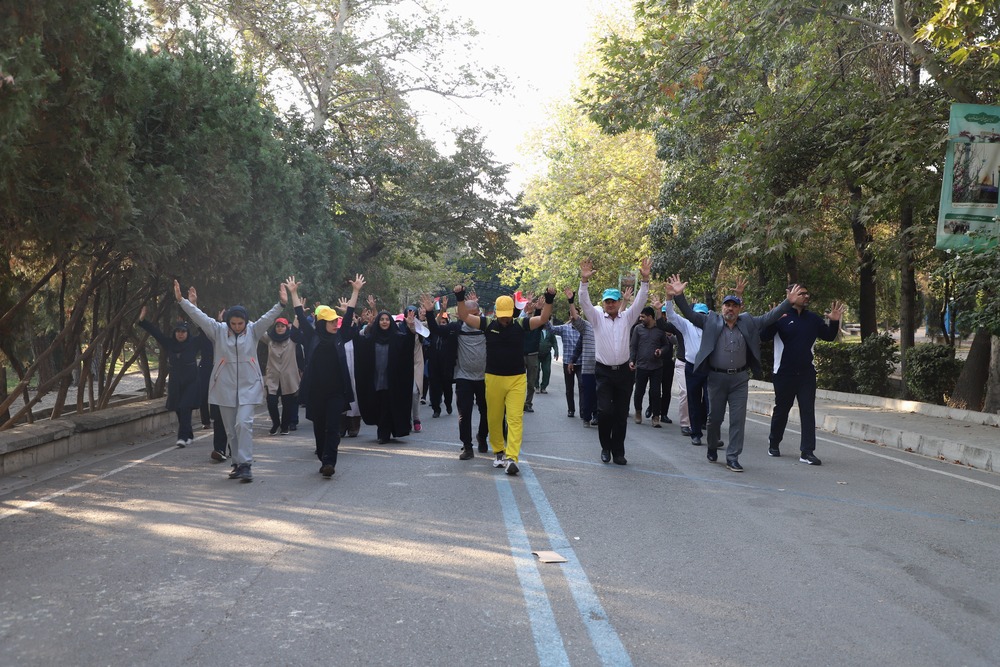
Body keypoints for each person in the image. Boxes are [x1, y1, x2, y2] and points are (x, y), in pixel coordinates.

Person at [667, 274, 802, 472]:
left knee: (738, 420)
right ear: (722, 308)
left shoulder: (748, 322)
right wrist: (679, 296)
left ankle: (733, 457)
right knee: (714, 418)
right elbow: (689, 314)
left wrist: (788, 303)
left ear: (739, 308)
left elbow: (769, 317)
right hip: (716, 378)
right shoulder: (710, 321)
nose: (730, 309)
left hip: (739, 379)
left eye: (734, 306)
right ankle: (712, 445)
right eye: (727, 305)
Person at [176, 278, 288, 482]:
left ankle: (246, 464)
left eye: (240, 324)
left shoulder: (254, 330)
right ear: (228, 322)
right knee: (231, 429)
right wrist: (183, 302)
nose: (237, 327)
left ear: (246, 322)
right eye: (233, 324)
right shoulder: (218, 330)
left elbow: (268, 317)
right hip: (224, 387)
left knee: (243, 423)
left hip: (249, 386)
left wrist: (281, 304)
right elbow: (200, 318)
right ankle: (237, 463)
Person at [455, 284, 555, 475]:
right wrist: (460, 297)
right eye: (502, 315)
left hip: (517, 379)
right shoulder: (487, 324)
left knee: (515, 419)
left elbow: (543, 318)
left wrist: (549, 300)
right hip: (493, 378)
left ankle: (512, 458)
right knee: (494, 418)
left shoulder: (521, 324)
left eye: (507, 315)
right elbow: (465, 316)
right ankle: (499, 452)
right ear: (496, 313)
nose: (505, 319)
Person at [578, 258, 652, 465]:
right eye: (607, 301)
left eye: (613, 301)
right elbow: (584, 302)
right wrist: (584, 281)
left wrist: (645, 279)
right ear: (603, 303)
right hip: (603, 372)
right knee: (604, 411)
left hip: (623, 373)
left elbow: (640, 301)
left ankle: (618, 451)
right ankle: (605, 447)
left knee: (620, 413)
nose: (610, 304)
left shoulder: (627, 318)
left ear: (619, 303)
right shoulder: (596, 318)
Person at [290, 275, 363, 478]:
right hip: (315, 393)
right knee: (319, 428)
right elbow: (300, 314)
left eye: (335, 320)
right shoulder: (311, 336)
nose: (335, 323)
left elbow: (349, 315)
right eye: (331, 321)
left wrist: (355, 291)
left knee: (332, 427)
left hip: (336, 393)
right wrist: (293, 293)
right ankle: (324, 457)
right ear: (322, 322)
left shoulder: (340, 335)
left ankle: (329, 462)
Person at [762, 287, 844, 465]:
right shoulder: (781, 316)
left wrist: (834, 322)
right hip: (783, 373)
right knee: (782, 410)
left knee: (807, 411)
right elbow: (763, 337)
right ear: (790, 295)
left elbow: (828, 336)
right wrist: (771, 320)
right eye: (801, 294)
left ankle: (807, 452)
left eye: (807, 293)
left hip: (806, 374)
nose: (806, 296)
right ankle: (774, 442)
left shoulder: (813, 319)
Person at [423, 293, 488, 460]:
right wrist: (430, 312)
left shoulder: (487, 327)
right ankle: (467, 446)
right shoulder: (455, 328)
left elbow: (509, 325)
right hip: (463, 377)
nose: (471, 318)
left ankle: (482, 436)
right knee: (464, 414)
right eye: (468, 314)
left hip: (485, 378)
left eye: (474, 314)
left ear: (479, 314)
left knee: (486, 411)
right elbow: (435, 330)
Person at [137, 308, 202, 448]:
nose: (180, 334)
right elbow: (156, 333)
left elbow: (205, 331)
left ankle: (182, 437)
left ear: (187, 333)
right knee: (178, 408)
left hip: (191, 381)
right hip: (175, 381)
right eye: (178, 331)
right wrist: (142, 321)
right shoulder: (170, 343)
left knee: (185, 407)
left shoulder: (194, 343)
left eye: (183, 331)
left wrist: (196, 309)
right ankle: (189, 434)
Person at [354, 303, 417, 444]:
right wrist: (360, 324)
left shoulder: (398, 337)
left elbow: (408, 345)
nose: (384, 322)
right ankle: (383, 432)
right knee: (379, 406)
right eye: (382, 319)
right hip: (376, 380)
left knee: (388, 406)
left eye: (387, 319)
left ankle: (384, 434)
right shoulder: (371, 339)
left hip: (392, 381)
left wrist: (410, 327)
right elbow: (358, 342)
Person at [629, 306, 671, 427]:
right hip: (641, 366)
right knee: (639, 392)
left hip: (656, 367)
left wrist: (660, 351)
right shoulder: (638, 329)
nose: (640, 319)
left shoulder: (660, 330)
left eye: (643, 317)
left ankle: (656, 417)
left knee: (655, 392)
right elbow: (633, 346)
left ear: (650, 317)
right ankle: (638, 412)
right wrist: (632, 360)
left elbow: (666, 346)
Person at [262, 316, 303, 436]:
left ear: (286, 328)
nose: (280, 328)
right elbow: (258, 329)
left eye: (283, 326)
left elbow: (295, 329)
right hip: (273, 377)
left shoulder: (292, 340)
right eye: (278, 326)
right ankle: (276, 423)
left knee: (287, 403)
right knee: (271, 401)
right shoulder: (270, 339)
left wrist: (297, 317)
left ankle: (285, 426)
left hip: (288, 377)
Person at [549, 296, 582, 418]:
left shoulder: (584, 329)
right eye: (572, 314)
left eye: (576, 314)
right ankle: (571, 410)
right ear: (569, 316)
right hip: (567, 362)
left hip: (581, 363)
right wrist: (545, 314)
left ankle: (583, 411)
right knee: (569, 388)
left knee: (583, 387)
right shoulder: (564, 328)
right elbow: (551, 329)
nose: (574, 316)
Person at [537, 323, 559, 394]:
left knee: (547, 371)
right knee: (536, 370)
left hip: (547, 354)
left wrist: (556, 352)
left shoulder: (550, 331)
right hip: (536, 354)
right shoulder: (536, 330)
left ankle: (543, 387)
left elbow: (554, 342)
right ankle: (536, 386)